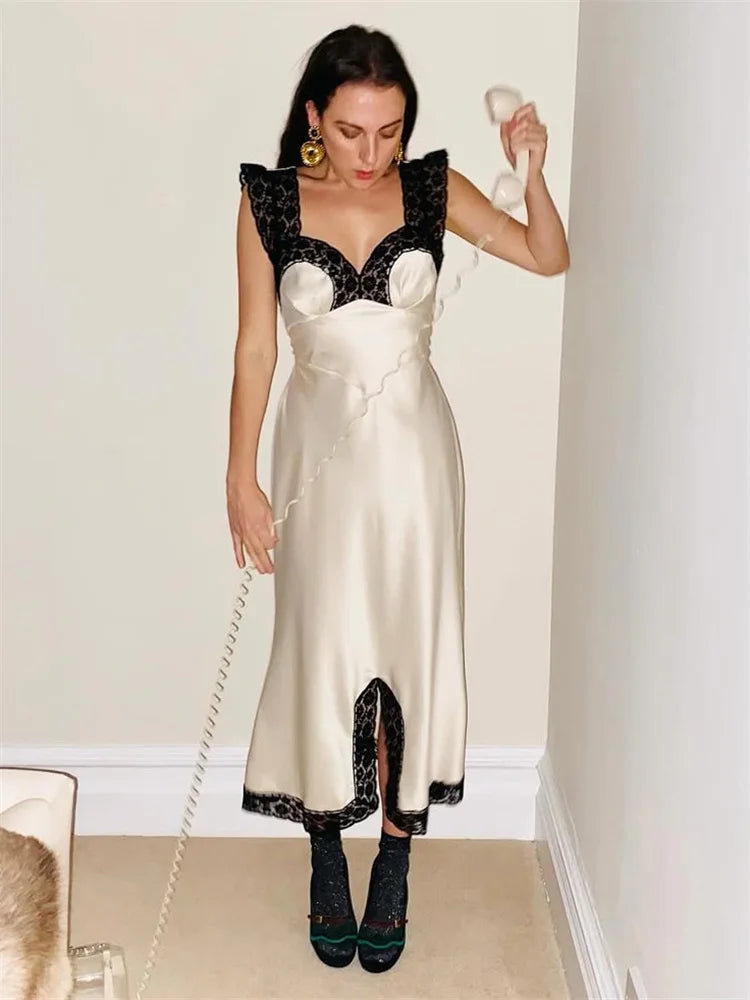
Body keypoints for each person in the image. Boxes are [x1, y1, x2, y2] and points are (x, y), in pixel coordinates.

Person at [227, 24, 569, 975]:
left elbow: (547, 255)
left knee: (410, 652)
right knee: (321, 646)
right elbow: (255, 346)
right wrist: (239, 477)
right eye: (350, 131)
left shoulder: (431, 188)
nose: (371, 152)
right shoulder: (269, 199)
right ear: (314, 118)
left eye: (389, 131)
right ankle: (325, 852)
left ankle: (395, 858)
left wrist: (532, 169)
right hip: (316, 461)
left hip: (416, 460)